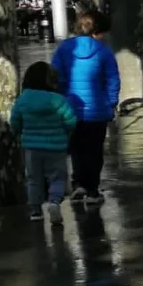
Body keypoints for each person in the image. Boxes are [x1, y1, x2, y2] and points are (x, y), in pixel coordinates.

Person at [51, 11, 120, 205]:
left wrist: (62, 97)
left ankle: (78, 183)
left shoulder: (64, 49)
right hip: (97, 111)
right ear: (96, 31)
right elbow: (112, 80)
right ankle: (92, 190)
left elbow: (55, 77)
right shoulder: (104, 51)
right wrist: (111, 102)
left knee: (76, 149)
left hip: (70, 110)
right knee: (94, 151)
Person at [11, 62, 77, 224]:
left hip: (31, 148)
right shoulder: (58, 100)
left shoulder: (22, 100)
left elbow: (15, 122)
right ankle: (54, 202)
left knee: (33, 179)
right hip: (56, 147)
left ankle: (35, 211)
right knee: (57, 178)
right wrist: (66, 134)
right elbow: (70, 121)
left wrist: (19, 134)